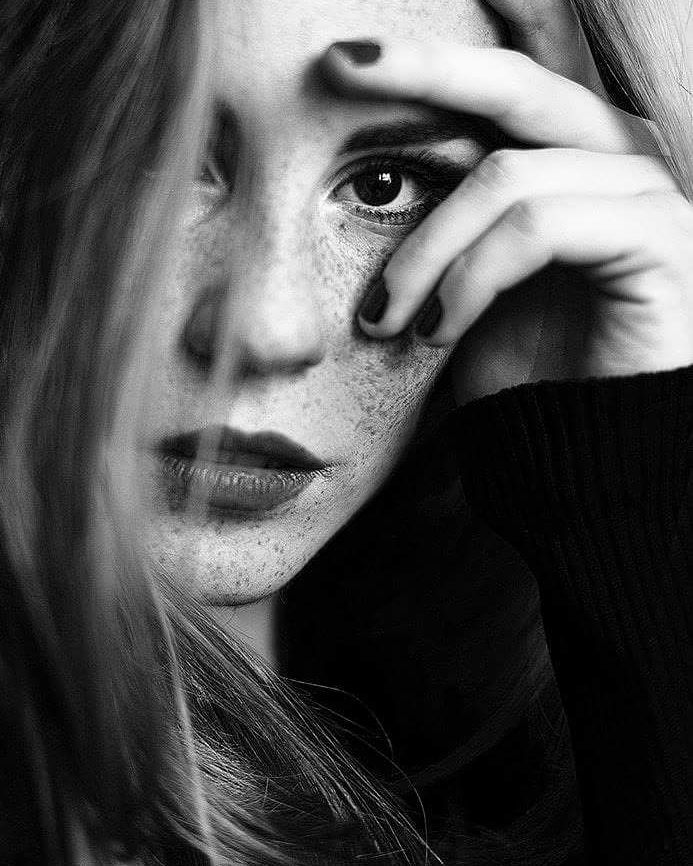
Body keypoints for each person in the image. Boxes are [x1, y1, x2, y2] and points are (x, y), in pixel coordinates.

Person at [0, 0, 690, 865]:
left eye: (386, 187)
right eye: (151, 162)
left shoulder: (485, 733)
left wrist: (619, 483)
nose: (268, 330)